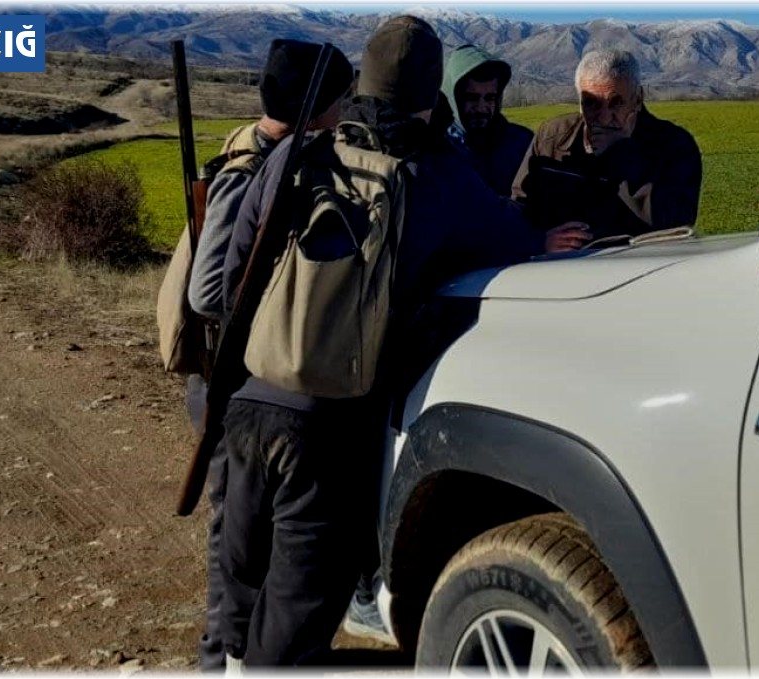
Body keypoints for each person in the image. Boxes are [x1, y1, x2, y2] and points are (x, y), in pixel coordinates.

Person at [214, 15, 590, 668]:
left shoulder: (300, 151)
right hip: (332, 433)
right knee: (294, 628)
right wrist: (542, 241)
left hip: (248, 407)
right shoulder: (435, 174)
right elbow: (506, 243)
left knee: (238, 600)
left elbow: (229, 284)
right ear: (430, 94)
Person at [184, 38, 355, 673]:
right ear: (320, 105)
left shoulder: (276, 155)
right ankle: (217, 665)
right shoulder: (252, 166)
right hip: (236, 382)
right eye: (337, 99)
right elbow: (209, 292)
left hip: (248, 385)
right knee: (235, 562)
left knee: (244, 555)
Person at [512, 48, 704, 239]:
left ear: (638, 99)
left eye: (616, 102)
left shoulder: (673, 146)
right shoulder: (552, 138)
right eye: (591, 103)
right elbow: (520, 207)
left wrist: (622, 155)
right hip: (564, 264)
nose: (604, 118)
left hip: (636, 264)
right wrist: (541, 239)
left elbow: (677, 223)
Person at [439, 44, 534, 196]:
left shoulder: (523, 143)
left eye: (490, 98)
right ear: (453, 99)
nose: (481, 108)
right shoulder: (437, 150)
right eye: (471, 98)